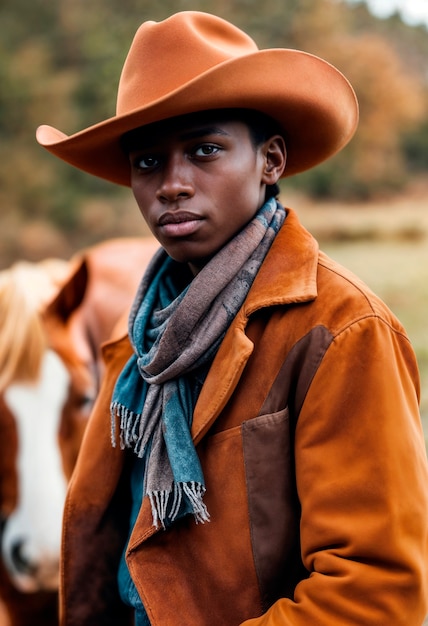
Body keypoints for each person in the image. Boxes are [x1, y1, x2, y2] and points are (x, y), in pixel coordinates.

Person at [36, 11, 428, 626]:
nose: (172, 184)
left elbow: (375, 593)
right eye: (147, 163)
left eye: (205, 150)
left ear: (270, 161)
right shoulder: (137, 343)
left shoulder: (343, 331)